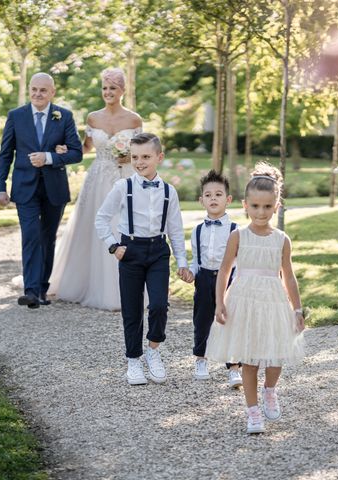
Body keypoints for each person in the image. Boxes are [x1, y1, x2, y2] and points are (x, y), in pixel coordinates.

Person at [205, 162, 305, 434]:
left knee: (275, 356)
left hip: (273, 301)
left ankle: (270, 390)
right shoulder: (238, 236)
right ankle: (253, 413)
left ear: (277, 206)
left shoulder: (282, 239)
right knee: (249, 359)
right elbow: (225, 269)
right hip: (245, 300)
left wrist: (297, 310)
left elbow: (289, 276)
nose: (261, 212)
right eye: (256, 206)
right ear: (245, 205)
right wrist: (220, 302)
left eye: (268, 207)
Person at [95, 133, 191, 385]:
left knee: (159, 305)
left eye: (146, 157)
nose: (139, 162)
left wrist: (182, 261)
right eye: (135, 157)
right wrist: (113, 245)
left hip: (158, 251)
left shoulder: (170, 192)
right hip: (130, 251)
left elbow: (176, 230)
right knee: (132, 309)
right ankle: (133, 360)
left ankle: (153, 350)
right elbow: (101, 218)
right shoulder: (122, 187)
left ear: (159, 157)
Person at [47, 67, 142, 310]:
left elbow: (141, 151)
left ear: (122, 90)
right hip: (99, 177)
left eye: (113, 88)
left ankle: (125, 287)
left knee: (121, 226)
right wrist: (65, 150)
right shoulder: (93, 118)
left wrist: (130, 157)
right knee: (94, 226)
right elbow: (86, 148)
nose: (108, 92)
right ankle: (88, 284)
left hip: (124, 176)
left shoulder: (134, 120)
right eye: (105, 88)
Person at [0, 72, 83, 309]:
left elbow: (76, 153)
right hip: (25, 188)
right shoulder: (16, 116)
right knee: (31, 235)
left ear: (52, 92)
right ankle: (31, 291)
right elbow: (5, 155)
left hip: (54, 188)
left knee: (47, 238)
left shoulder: (64, 116)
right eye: (34, 89)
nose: (37, 94)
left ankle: (43, 289)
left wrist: (49, 157)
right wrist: (0, 188)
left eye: (43, 90)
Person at [186, 170, 242, 388]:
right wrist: (191, 272)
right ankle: (201, 359)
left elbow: (240, 261)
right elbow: (195, 259)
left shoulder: (236, 230)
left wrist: (236, 283)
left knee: (231, 321)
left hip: (229, 280)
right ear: (201, 201)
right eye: (208, 195)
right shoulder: (197, 230)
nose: (213, 199)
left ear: (228, 200)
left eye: (218, 194)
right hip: (204, 278)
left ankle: (234, 366)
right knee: (202, 320)